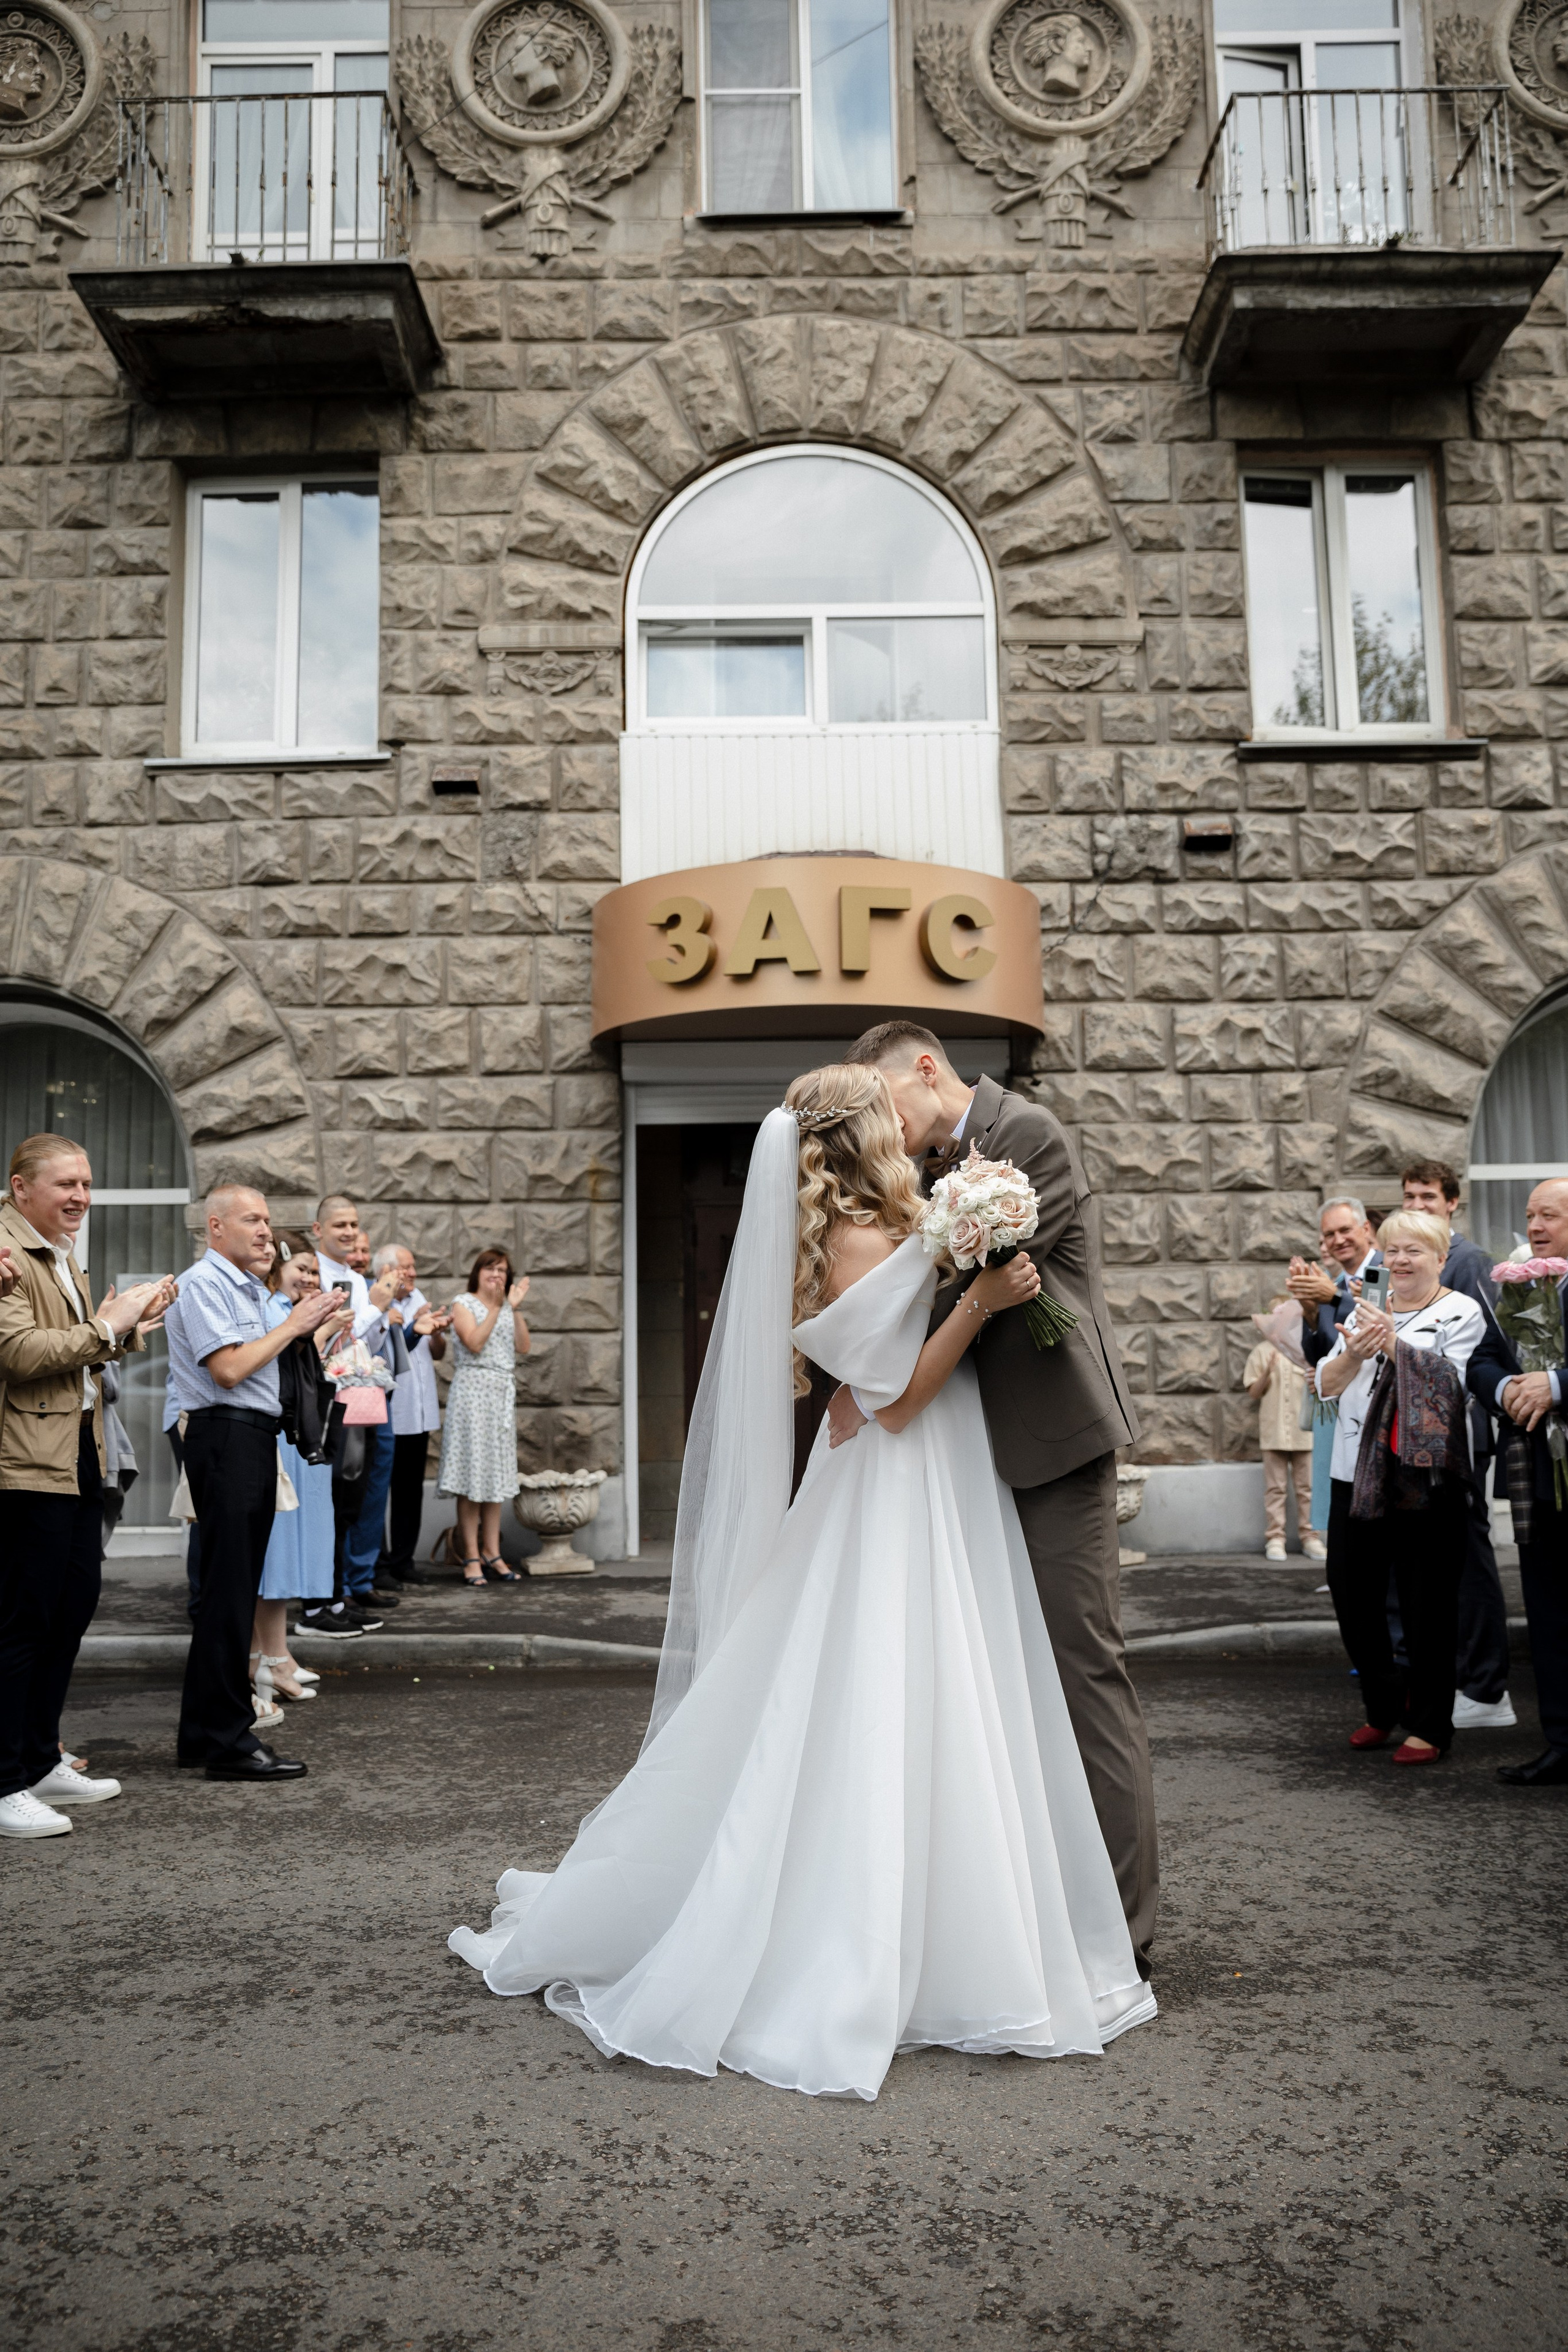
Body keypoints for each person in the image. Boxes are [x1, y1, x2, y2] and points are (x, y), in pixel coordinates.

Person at [449, 1068, 1156, 2098]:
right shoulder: (858, 1240)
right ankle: (891, 1945)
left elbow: (879, 1382)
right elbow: (901, 1400)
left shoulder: (880, 1223)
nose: (905, 1125)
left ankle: (949, 1921)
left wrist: (962, 1260)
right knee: (897, 1692)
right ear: (863, 1133)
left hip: (928, 1477)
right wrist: (986, 1298)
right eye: (887, 1112)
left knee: (930, 1695)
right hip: (903, 1480)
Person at [834, 1021, 1156, 1978]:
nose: (890, 1132)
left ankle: (1126, 1935)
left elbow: (960, 1286)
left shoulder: (1029, 1138)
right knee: (998, 1686)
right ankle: (1035, 1907)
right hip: (969, 1462)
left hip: (1053, 1451)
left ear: (926, 1069)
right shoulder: (941, 1170)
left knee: (1083, 1678)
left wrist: (865, 1354)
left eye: (889, 1105)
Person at [0, 1135, 173, 1838]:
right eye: (66, 1183)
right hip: (25, 1461)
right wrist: (109, 1323)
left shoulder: (61, 1252)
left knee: (69, 1611)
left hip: (75, 1452)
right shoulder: (9, 1253)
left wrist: (126, 1330)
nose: (81, 1196)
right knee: (22, 1622)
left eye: (87, 1183)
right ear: (20, 1190)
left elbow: (74, 1348)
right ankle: (5, 1779)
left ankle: (41, 1760)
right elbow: (17, 1355)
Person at [164, 1186, 339, 1781]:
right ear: (216, 1227)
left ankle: (203, 1733)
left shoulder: (242, 1286)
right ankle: (227, 1739)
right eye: (251, 1220)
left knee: (233, 1590)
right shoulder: (205, 1283)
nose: (266, 1231)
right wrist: (293, 1324)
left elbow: (265, 1361)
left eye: (268, 1219)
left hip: (248, 1438)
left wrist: (308, 1328)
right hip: (226, 1435)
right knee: (229, 1592)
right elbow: (232, 1369)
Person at [1316, 1209, 1485, 1765]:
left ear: (1441, 1258)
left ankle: (1431, 1725)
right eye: (1393, 1251)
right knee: (1352, 1596)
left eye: (1416, 1250)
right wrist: (1359, 1351)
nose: (1402, 1261)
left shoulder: (1461, 1311)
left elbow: (1449, 1385)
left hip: (1423, 1483)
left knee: (1426, 1606)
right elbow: (1325, 1383)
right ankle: (1385, 1702)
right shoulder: (1365, 1307)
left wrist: (1391, 1345)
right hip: (1355, 1476)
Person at [1399, 1158, 1515, 1732]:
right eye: (1409, 1197)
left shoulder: (1470, 1262)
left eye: (1427, 1197)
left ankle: (1487, 1690)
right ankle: (1452, 1681)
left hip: (1456, 1441)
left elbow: (1490, 1348)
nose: (1417, 1206)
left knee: (1470, 1563)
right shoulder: (1401, 1257)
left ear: (1452, 1204)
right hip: (1408, 1447)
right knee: (1434, 1570)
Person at [1467, 1177, 1568, 1787]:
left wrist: (1556, 1386)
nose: (1533, 1226)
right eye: (1529, 1215)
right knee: (1549, 1614)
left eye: (1548, 1215)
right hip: (1537, 1476)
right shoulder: (1519, 1282)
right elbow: (1482, 1360)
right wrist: (1506, 1388)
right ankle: (1560, 1742)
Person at [251, 1235, 350, 1710]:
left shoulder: (284, 1307)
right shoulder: (272, 1308)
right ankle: (266, 1658)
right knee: (273, 1555)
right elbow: (278, 1360)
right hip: (274, 1437)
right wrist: (319, 1329)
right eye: (303, 1269)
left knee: (285, 1554)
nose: (310, 1279)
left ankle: (276, 1654)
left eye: (315, 1273)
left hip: (294, 1437)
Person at [311, 1195, 401, 1618]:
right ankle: (332, 1589)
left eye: (353, 1224)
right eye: (339, 1225)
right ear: (319, 1230)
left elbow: (365, 1342)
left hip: (363, 1392)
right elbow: (329, 1341)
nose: (348, 1232)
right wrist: (376, 1309)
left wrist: (379, 1312)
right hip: (329, 1398)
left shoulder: (357, 1279)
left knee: (363, 1492)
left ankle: (357, 1580)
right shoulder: (313, 1274)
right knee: (336, 1493)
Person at [439, 1248, 530, 1585]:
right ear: (477, 1273)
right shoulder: (464, 1303)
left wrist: (513, 1309)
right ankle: (471, 1556)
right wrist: (495, 1308)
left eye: (503, 1270)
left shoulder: (506, 1307)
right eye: (490, 1269)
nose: (497, 1275)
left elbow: (523, 1346)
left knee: (494, 1481)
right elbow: (474, 1343)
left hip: (500, 1399)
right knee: (471, 1481)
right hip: (473, 1396)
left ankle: (494, 1553)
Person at [372, 1243, 447, 1588]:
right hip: (392, 1410)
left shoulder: (418, 1300)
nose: (413, 1273)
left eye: (414, 1267)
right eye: (406, 1268)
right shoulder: (377, 1305)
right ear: (387, 1272)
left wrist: (437, 1332)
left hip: (419, 1412)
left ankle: (404, 1561)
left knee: (409, 1491)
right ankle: (379, 1564)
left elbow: (437, 1353)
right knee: (379, 1493)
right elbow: (390, 1352)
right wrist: (413, 1329)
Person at [1242, 1301, 1324, 1562]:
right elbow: (1254, 1393)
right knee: (1275, 1489)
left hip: (1305, 1432)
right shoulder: (1261, 1351)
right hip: (1274, 1430)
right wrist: (1267, 1370)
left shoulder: (1307, 1349)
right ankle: (1275, 1538)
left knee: (1307, 1488)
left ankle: (1310, 1537)